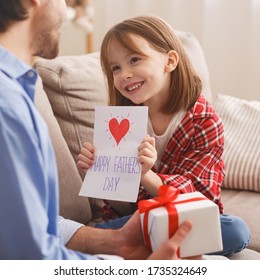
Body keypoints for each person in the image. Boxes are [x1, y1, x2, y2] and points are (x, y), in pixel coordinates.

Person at [0, 0, 195, 260]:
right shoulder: (8, 105)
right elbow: (31, 257)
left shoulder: (17, 92)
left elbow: (22, 223)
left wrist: (114, 241)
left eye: (135, 60)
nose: (68, 8)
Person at [77, 15, 250, 256]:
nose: (124, 74)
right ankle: (131, 243)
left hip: (183, 215)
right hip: (135, 221)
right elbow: (122, 208)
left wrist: (146, 175)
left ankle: (123, 244)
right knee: (114, 228)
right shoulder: (121, 121)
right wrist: (102, 174)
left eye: (134, 59)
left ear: (169, 61)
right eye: (115, 68)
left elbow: (201, 200)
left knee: (236, 230)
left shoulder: (203, 121)